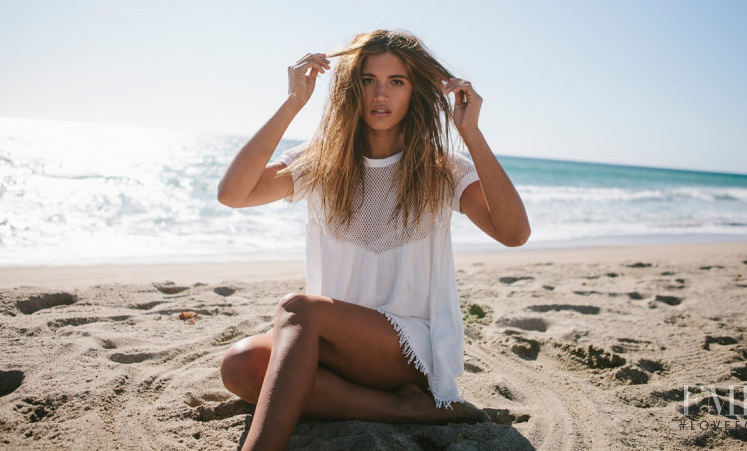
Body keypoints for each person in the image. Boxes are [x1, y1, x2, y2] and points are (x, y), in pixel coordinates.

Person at [217, 29, 530, 450]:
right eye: (368, 80)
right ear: (351, 88)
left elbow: (514, 233)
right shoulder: (324, 162)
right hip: (334, 345)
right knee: (239, 366)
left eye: (395, 82)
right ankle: (398, 409)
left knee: (298, 309)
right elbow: (233, 194)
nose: (380, 94)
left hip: (408, 352)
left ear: (413, 90)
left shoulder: (441, 168)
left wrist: (471, 134)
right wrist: (293, 102)